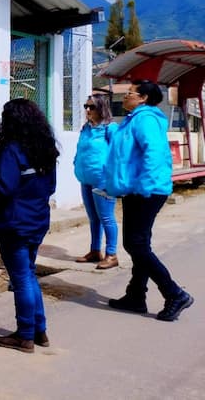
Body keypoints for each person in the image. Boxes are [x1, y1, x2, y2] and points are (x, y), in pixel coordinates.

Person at [105, 80, 194, 321]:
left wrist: (143, 187)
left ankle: (175, 293)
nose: (125, 96)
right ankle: (135, 296)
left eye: (130, 93)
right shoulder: (134, 119)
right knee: (139, 243)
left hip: (147, 190)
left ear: (143, 98)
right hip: (138, 189)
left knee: (136, 244)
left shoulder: (145, 119)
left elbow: (153, 153)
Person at [0, 99, 59, 353]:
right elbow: (51, 187)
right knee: (29, 274)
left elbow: (4, 188)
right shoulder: (46, 147)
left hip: (14, 222)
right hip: (37, 219)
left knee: (21, 278)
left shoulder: (11, 149)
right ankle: (39, 330)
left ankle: (24, 335)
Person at [73, 94, 119, 269]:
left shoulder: (110, 128)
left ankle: (112, 254)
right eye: (86, 106)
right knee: (94, 218)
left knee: (106, 217)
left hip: (102, 180)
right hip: (85, 179)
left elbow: (118, 153)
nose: (87, 110)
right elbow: (81, 150)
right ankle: (94, 251)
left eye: (91, 107)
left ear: (101, 108)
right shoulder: (86, 128)